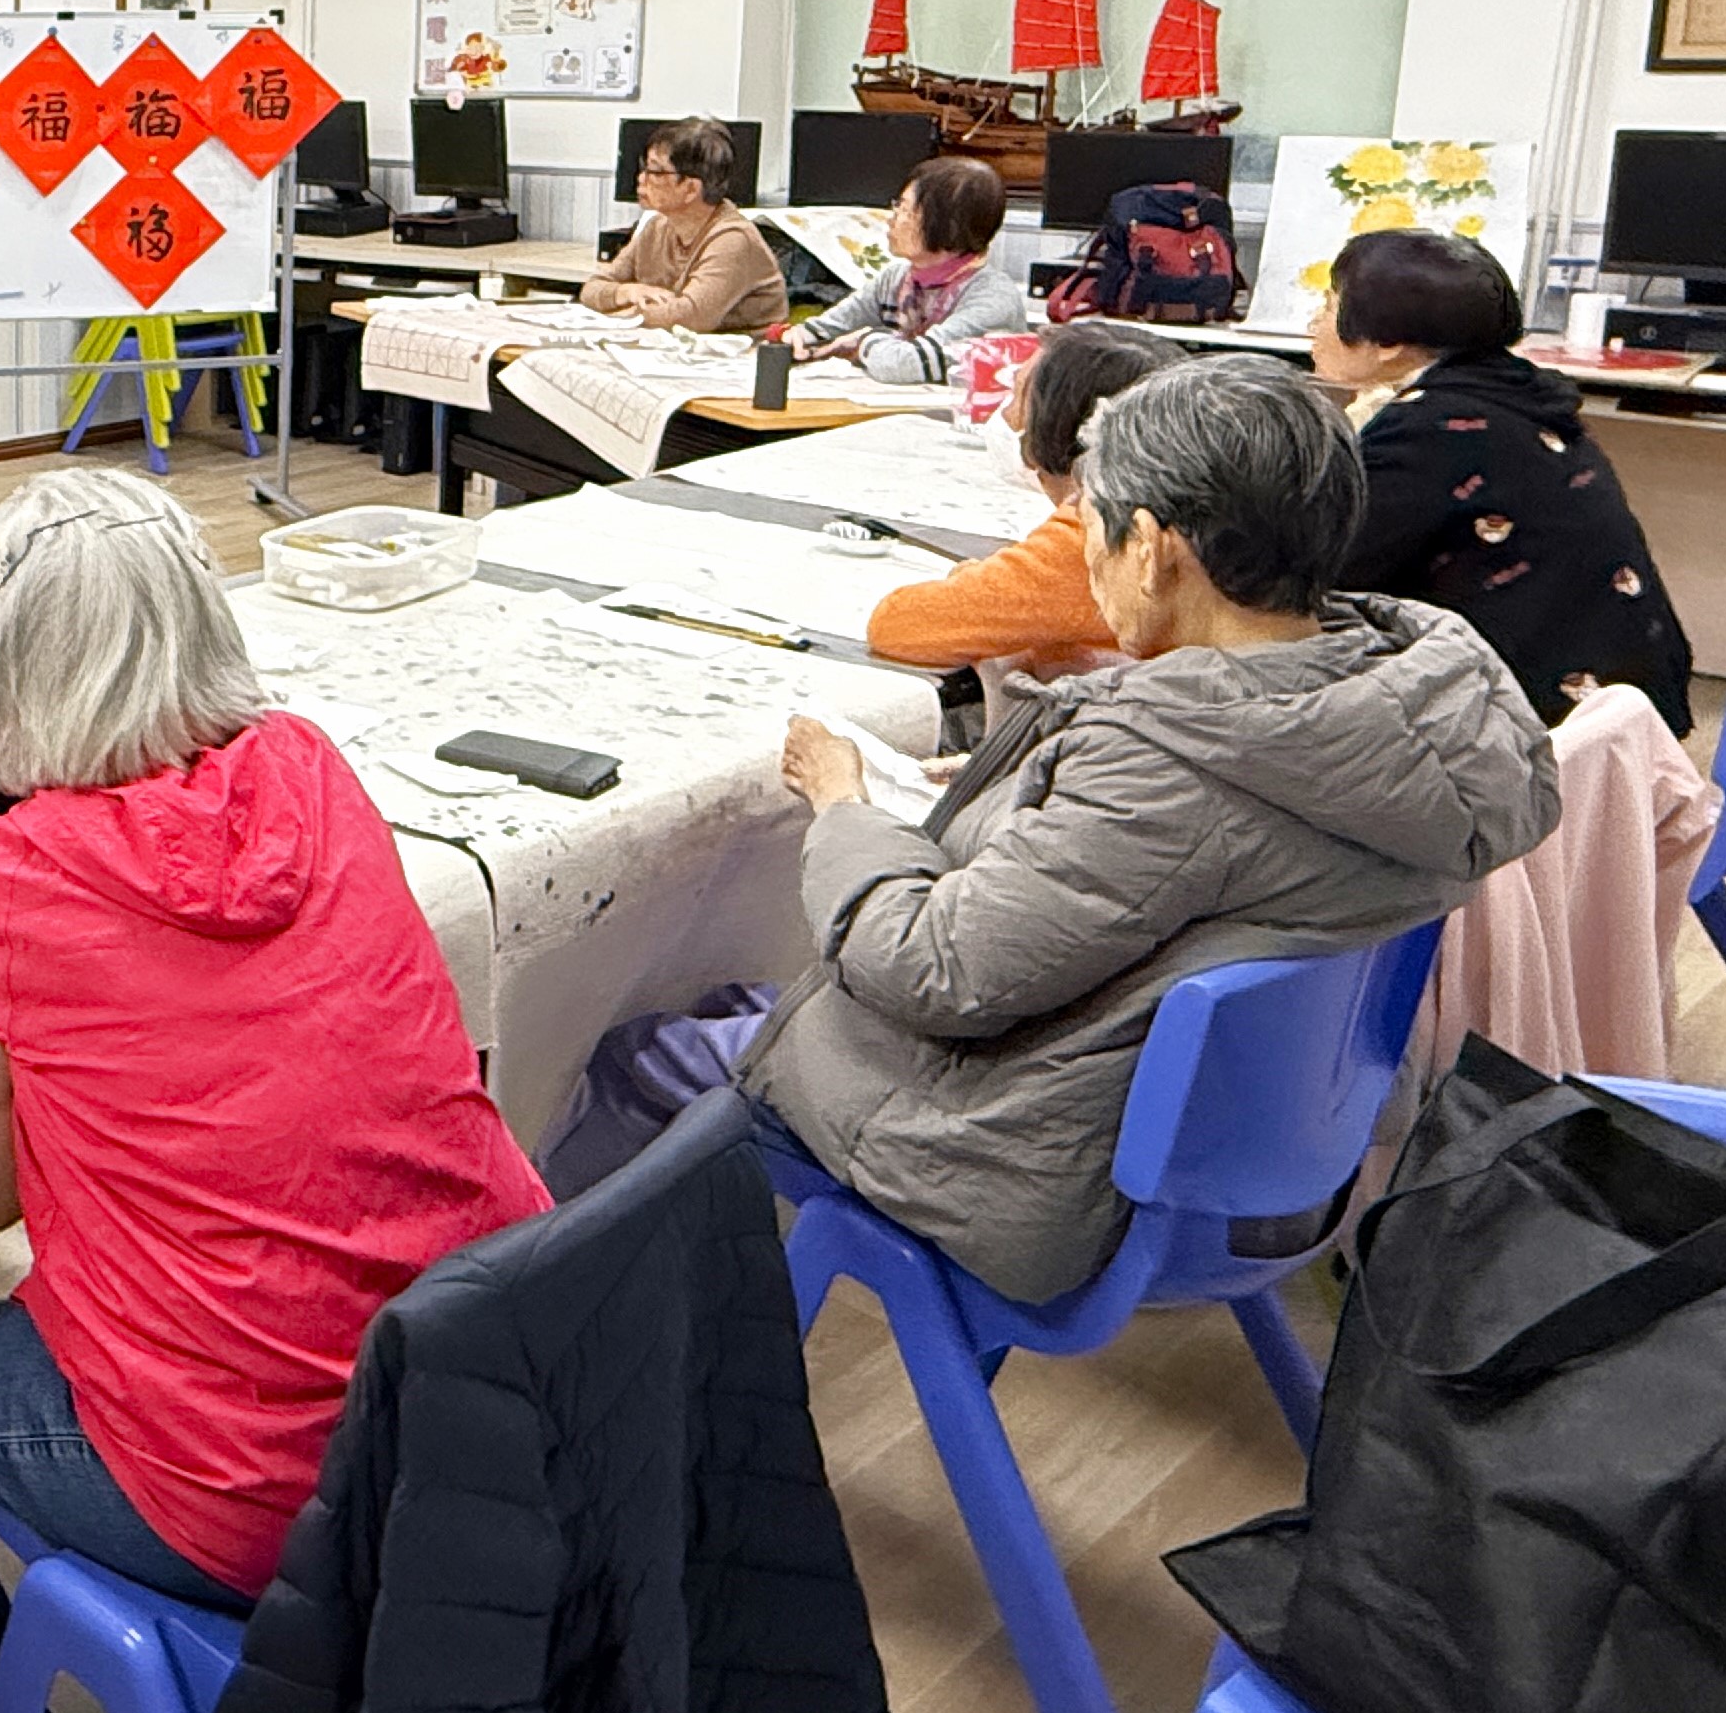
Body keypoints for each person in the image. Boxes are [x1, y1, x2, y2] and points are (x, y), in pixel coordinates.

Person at [0, 469, 550, 1713]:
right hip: (461, 1410)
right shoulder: (311, 770)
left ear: (9, 666)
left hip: (253, 1484)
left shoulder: (19, 875)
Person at [543, 357, 1557, 1299]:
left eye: (1094, 533)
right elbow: (1168, 873)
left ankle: (550, 1330)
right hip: (1271, 1160)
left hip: (1046, 1168)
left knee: (635, 1053)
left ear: (1152, 551)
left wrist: (843, 805)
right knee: (745, 997)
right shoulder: (1404, 710)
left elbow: (936, 969)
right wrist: (1031, 784)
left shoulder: (1170, 767)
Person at [1313, 228, 1693, 735]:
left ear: (1388, 342)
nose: (1314, 323)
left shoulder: (1431, 429)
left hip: (1542, 718)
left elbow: (1325, 573)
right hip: (1626, 700)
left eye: (1328, 305)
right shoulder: (1512, 393)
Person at [863, 319, 1184, 678]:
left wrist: (976, 580)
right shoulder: (1180, 512)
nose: (1004, 415)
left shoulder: (1091, 540)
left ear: (1057, 425)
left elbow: (898, 625)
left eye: (1016, 396)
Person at [790, 155, 1021, 383]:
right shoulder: (895, 279)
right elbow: (826, 329)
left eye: (904, 208)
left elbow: (907, 365)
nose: (891, 219)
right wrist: (796, 338)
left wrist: (864, 341)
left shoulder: (992, 299)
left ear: (946, 224)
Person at [579, 116, 786, 332]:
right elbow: (592, 288)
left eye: (655, 172)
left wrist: (621, 315)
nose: (641, 179)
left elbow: (691, 317)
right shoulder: (657, 227)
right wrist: (627, 292)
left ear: (690, 189)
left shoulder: (733, 239)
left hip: (740, 348)